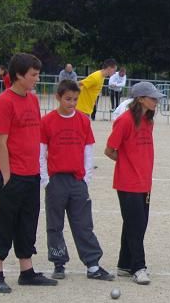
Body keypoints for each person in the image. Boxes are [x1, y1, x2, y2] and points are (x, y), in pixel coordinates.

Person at [0, 53, 57, 293]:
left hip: (32, 173)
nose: (37, 79)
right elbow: (0, 143)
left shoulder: (33, 100)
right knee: (4, 222)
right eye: (33, 75)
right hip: (12, 175)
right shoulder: (4, 102)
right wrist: (6, 176)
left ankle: (27, 271)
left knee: (28, 222)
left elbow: (35, 136)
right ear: (19, 75)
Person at [40, 80, 114, 281]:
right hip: (56, 181)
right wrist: (46, 180)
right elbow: (41, 152)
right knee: (55, 224)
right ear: (58, 98)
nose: (72, 103)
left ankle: (92, 264)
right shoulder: (47, 121)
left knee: (83, 223)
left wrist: (86, 178)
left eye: (75, 99)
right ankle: (58, 262)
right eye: (68, 99)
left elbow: (87, 150)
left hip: (77, 180)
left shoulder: (83, 120)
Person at [104, 81, 164, 285]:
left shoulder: (148, 121)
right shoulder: (125, 121)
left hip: (144, 182)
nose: (156, 101)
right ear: (140, 99)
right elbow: (110, 149)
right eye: (153, 98)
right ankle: (139, 267)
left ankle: (124, 263)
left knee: (136, 224)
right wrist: (126, 163)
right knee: (136, 225)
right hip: (128, 182)